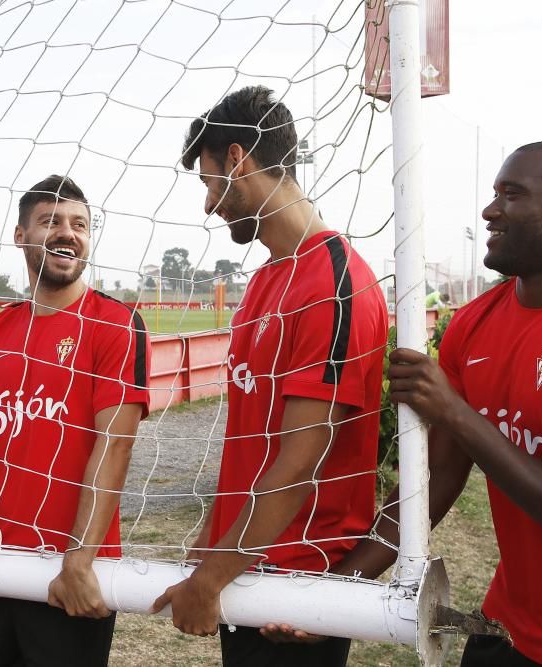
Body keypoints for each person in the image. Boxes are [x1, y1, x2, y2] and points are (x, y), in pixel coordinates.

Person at [265, 140, 542, 666]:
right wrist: (331, 592)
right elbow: (435, 480)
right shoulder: (474, 323)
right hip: (509, 620)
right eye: (494, 193)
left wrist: (458, 414)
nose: (490, 210)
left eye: (513, 194)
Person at [150, 85, 388, 666]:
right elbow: (245, 443)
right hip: (245, 564)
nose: (209, 206)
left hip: (297, 588)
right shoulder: (262, 283)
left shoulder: (334, 283)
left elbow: (301, 459)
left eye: (209, 183)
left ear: (237, 160)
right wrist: (212, 545)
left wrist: (210, 580)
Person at [0, 175, 151, 665]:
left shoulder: (116, 324)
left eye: (79, 224)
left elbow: (114, 446)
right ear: (20, 235)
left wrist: (79, 560)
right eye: (50, 221)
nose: (67, 233)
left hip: (65, 578)